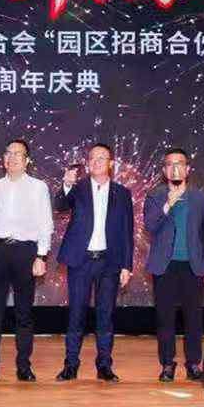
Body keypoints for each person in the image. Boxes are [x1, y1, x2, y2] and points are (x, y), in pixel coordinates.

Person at [54, 142, 135, 382]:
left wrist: (127, 265)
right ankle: (70, 365)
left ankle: (104, 366)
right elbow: (60, 205)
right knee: (76, 314)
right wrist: (66, 184)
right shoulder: (78, 188)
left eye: (102, 158)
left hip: (109, 262)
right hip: (81, 261)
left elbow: (127, 231)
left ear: (111, 164)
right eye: (93, 158)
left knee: (105, 315)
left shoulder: (122, 193)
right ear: (88, 163)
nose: (97, 162)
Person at [0, 138, 54, 383]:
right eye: (8, 153)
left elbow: (46, 224)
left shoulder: (38, 187)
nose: (13, 157)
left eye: (18, 154)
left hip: (25, 252)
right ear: (3, 159)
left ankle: (24, 366)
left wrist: (41, 255)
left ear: (27, 160)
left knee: (24, 312)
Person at [142, 148, 204, 384]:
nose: (175, 168)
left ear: (187, 169)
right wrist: (167, 205)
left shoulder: (199, 197)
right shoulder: (155, 196)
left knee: (193, 318)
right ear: (164, 170)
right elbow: (150, 226)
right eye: (170, 164)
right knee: (165, 318)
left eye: (180, 164)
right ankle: (167, 364)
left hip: (192, 266)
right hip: (164, 266)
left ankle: (193, 364)